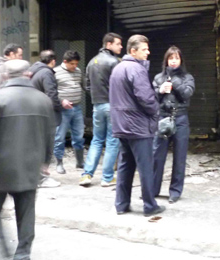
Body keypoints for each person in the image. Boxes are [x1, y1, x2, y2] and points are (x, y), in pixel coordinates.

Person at [0, 60, 53, 260]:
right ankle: (23, 254)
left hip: (2, 168)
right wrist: (46, 160)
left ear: (6, 76)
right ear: (28, 74)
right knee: (26, 212)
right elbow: (50, 135)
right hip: (30, 166)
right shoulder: (43, 100)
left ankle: (4, 249)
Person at [110, 34, 165, 216]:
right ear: (133, 51)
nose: (148, 52)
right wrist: (155, 110)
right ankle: (150, 206)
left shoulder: (118, 68)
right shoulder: (137, 69)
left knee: (125, 165)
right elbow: (145, 98)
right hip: (138, 126)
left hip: (121, 124)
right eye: (144, 49)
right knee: (145, 167)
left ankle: (121, 204)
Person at [152, 46, 195, 203]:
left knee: (180, 157)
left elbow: (187, 94)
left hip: (180, 118)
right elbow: (150, 99)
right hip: (163, 118)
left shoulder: (187, 77)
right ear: (166, 60)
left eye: (177, 58)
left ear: (181, 60)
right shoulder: (158, 78)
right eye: (171, 58)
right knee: (157, 156)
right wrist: (160, 91)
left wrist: (174, 81)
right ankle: (153, 190)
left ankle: (175, 191)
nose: (174, 61)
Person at [79, 33, 123, 187]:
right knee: (112, 141)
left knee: (97, 140)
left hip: (97, 105)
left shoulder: (91, 62)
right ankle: (107, 177)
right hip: (112, 105)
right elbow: (121, 85)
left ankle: (86, 174)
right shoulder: (115, 62)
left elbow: (87, 85)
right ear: (109, 44)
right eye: (118, 44)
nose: (121, 47)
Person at [28, 49, 64, 188]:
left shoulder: (33, 70)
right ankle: (41, 178)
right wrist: (59, 107)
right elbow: (51, 95)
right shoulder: (47, 73)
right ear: (53, 61)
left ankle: (36, 175)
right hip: (44, 115)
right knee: (45, 145)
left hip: (33, 112)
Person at [54, 50, 87, 174]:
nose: (74, 66)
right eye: (72, 64)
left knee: (79, 135)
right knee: (60, 137)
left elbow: (84, 86)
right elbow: (51, 91)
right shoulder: (56, 72)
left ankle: (80, 161)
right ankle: (59, 163)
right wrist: (61, 100)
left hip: (77, 107)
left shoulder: (78, 71)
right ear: (65, 62)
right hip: (63, 110)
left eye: (76, 64)